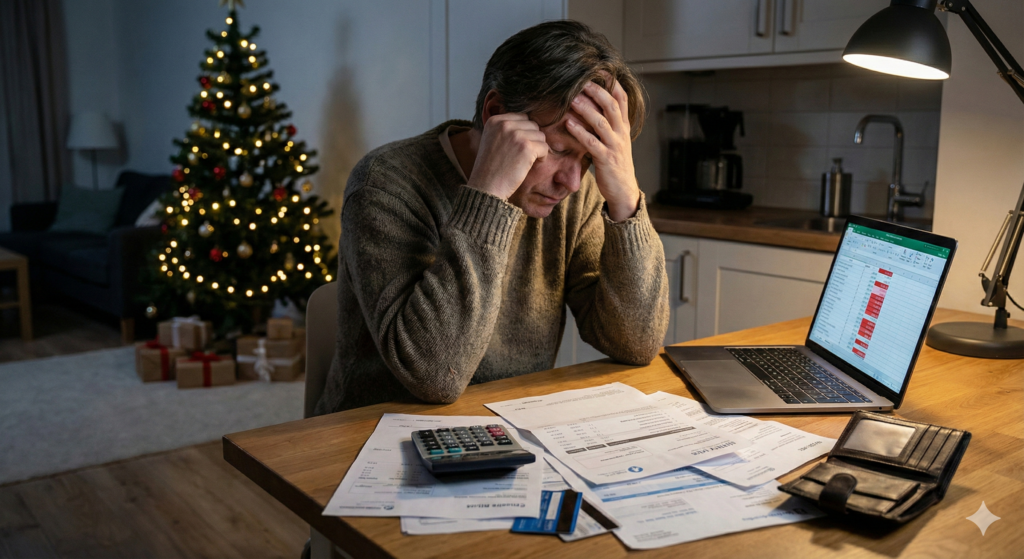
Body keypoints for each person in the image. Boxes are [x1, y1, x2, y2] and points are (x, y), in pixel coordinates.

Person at [314, 20, 669, 415]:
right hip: (372, 432)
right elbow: (435, 376)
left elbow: (636, 343)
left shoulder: (576, 192)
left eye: (590, 158)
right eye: (557, 149)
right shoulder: (384, 184)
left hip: (510, 424)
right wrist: (488, 197)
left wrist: (625, 199)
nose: (571, 181)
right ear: (497, 113)